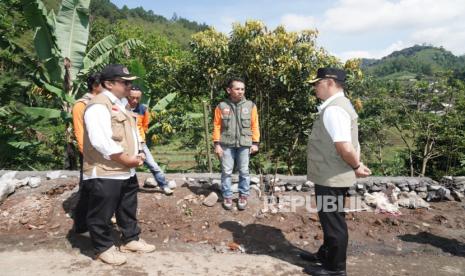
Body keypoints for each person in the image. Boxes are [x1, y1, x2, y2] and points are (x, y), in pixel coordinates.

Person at [81, 64, 155, 265]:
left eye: (130, 81)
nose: (129, 85)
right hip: (107, 170)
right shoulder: (98, 105)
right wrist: (124, 158)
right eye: (125, 82)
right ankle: (103, 247)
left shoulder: (121, 103)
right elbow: (100, 140)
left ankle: (130, 239)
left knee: (127, 208)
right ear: (109, 84)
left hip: (125, 169)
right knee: (101, 212)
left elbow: (131, 131)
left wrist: (138, 152)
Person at [302, 68, 371, 276]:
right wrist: (355, 164)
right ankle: (326, 255)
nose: (315, 87)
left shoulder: (334, 109)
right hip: (331, 174)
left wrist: (357, 166)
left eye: (318, 83)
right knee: (330, 218)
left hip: (331, 177)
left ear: (330, 83)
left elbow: (344, 147)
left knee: (333, 223)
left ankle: (335, 269)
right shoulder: (340, 105)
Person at [212, 77, 260, 210]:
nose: (240, 91)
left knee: (244, 171)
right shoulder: (221, 106)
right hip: (226, 144)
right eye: (237, 89)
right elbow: (216, 126)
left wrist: (255, 143)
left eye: (242, 89)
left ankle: (243, 195)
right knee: (226, 171)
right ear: (229, 90)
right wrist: (217, 144)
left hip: (245, 144)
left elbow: (255, 125)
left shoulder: (250, 106)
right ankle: (227, 195)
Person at [127, 86, 173, 195]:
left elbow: (145, 126)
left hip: (140, 143)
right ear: (127, 96)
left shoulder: (143, 109)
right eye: (132, 97)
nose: (135, 100)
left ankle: (164, 185)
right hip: (126, 143)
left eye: (137, 98)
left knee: (153, 165)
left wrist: (140, 138)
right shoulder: (121, 108)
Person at [71, 73, 103, 234]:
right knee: (87, 187)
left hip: (103, 152)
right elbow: (80, 132)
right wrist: (87, 154)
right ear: (95, 86)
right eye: (103, 84)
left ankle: (98, 217)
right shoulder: (81, 105)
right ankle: (81, 224)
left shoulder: (103, 103)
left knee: (101, 187)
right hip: (90, 153)